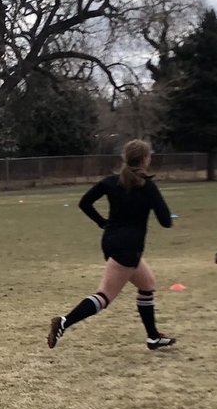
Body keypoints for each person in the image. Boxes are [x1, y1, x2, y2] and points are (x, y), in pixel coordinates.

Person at [47, 139, 176, 351]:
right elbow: (166, 222)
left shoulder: (111, 181)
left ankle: (153, 337)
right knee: (105, 296)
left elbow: (84, 203)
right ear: (145, 160)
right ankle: (64, 321)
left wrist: (102, 222)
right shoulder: (148, 186)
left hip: (110, 241)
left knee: (147, 285)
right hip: (129, 247)